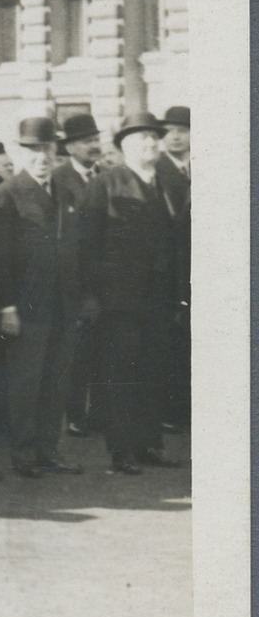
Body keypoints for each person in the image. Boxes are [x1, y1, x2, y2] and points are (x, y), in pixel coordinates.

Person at [78, 113, 185, 475]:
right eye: (143, 138)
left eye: (155, 138)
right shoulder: (106, 185)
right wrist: (91, 295)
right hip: (118, 301)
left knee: (153, 371)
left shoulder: (168, 184)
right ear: (124, 145)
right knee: (120, 374)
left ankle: (147, 443)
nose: (152, 144)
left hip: (158, 299)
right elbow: (87, 245)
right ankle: (121, 449)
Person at [0, 117, 85, 479]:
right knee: (26, 383)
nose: (41, 157)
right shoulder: (7, 194)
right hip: (26, 308)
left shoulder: (64, 193)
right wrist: (7, 307)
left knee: (56, 382)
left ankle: (49, 449)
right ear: (17, 152)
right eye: (31, 150)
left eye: (46, 149)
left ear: (55, 152)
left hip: (62, 305)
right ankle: (24, 452)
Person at [53, 112, 105, 437]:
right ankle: (74, 414)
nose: (94, 146)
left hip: (104, 281)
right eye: (87, 142)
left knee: (100, 350)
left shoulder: (107, 175)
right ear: (70, 147)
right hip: (73, 283)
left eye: (97, 140)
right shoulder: (59, 181)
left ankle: (97, 414)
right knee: (76, 354)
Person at [155, 106, 191, 432]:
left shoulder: (198, 167)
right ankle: (170, 410)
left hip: (196, 265)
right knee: (170, 340)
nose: (176, 136)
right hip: (168, 268)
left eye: (183, 130)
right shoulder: (157, 170)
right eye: (169, 131)